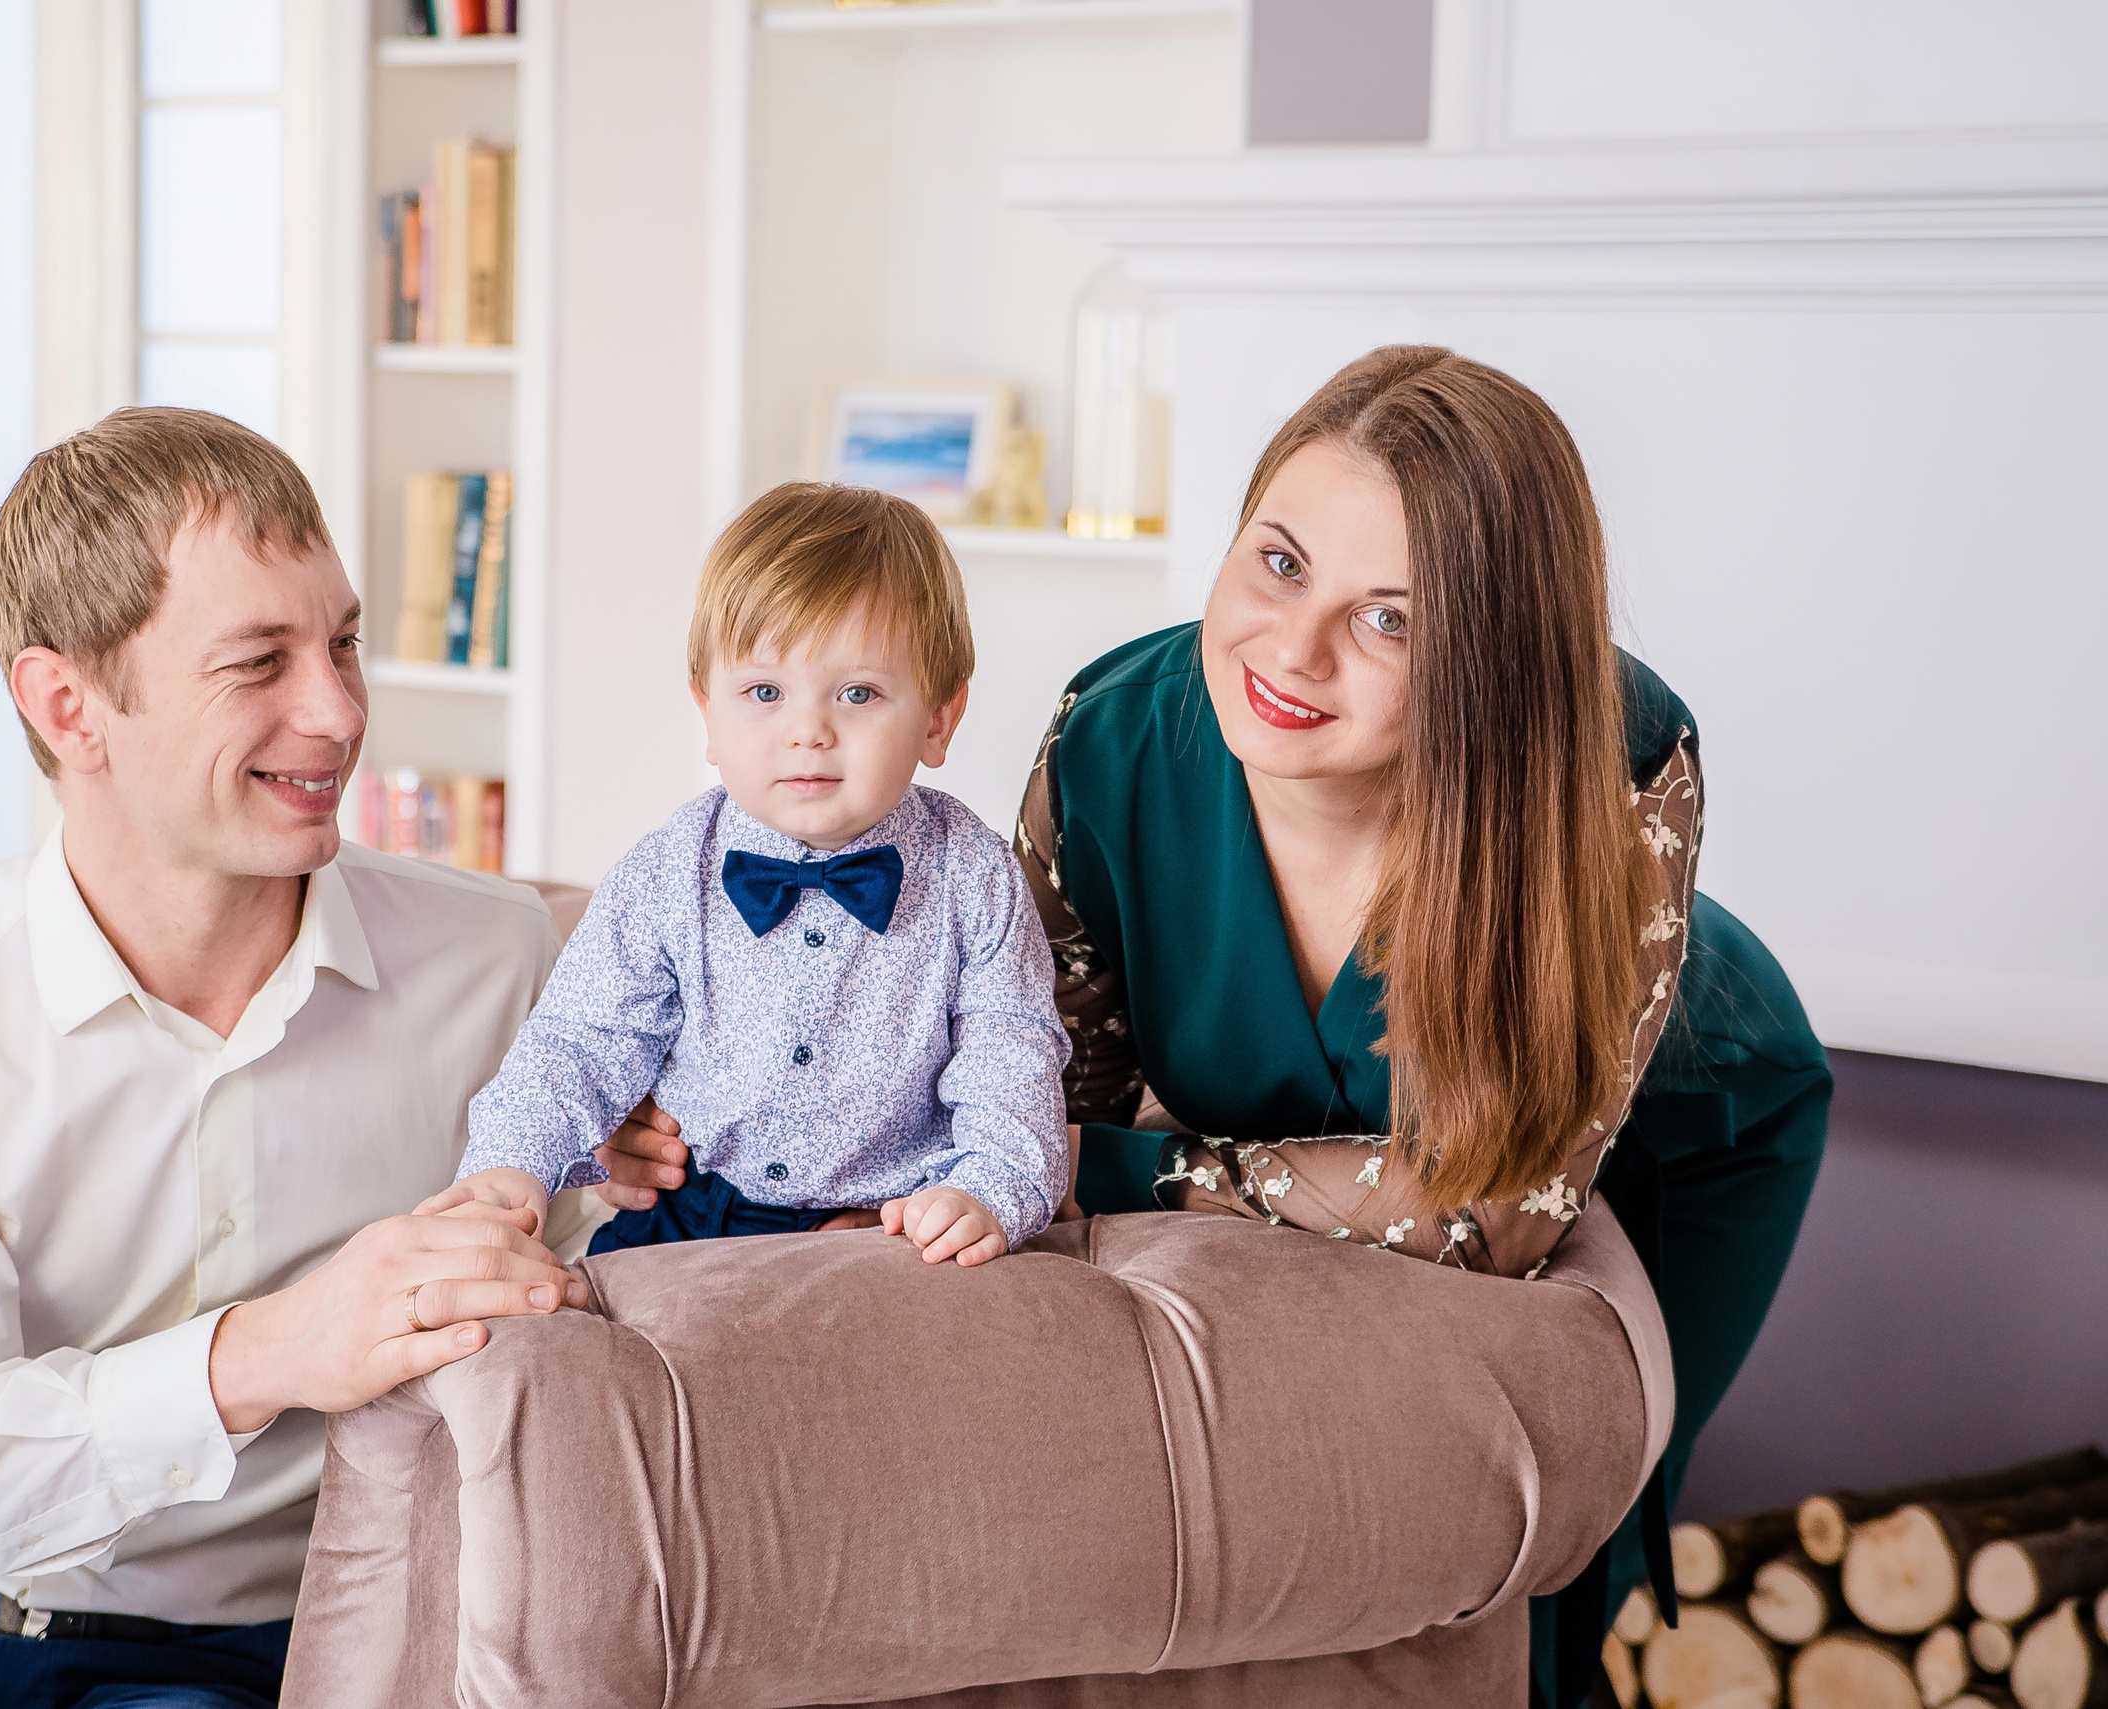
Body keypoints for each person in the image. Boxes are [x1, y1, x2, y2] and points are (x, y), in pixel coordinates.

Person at [0, 407, 591, 1709]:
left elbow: (631, 1291)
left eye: (343, 642)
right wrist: (268, 1349)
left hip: (227, 1658)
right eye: (259, 663)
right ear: (70, 705)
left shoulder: (505, 965)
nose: (339, 711)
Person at [1012, 347, 1831, 1705]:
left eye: (1390, 619)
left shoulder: (1622, 764)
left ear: (1486, 663)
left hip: (1683, 1127)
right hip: (1311, 1144)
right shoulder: (1108, 737)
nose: (1296, 648)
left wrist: (1134, 1169)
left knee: (1562, 1533)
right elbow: (1044, 1106)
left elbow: (1498, 1206)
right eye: (1279, 564)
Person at [428, 482, 1069, 1267]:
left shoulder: (977, 878)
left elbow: (1015, 1059)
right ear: (708, 712)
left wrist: (989, 1191)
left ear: (939, 718)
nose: (808, 731)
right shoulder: (667, 871)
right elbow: (578, 1041)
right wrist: (510, 1162)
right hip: (692, 1213)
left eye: (858, 693)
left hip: (896, 1226)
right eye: (764, 692)